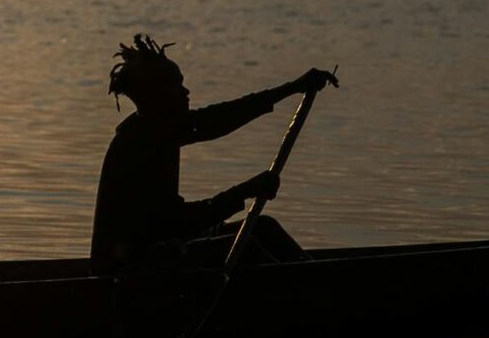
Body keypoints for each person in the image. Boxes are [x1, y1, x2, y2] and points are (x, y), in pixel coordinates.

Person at [91, 35, 337, 275]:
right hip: (130, 269)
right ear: (153, 94)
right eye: (176, 85)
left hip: (162, 244)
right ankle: (311, 296)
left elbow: (220, 118)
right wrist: (243, 191)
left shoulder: (162, 128)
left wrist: (293, 88)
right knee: (246, 248)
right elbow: (176, 223)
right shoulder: (139, 144)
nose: (185, 91)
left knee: (264, 228)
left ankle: (316, 282)